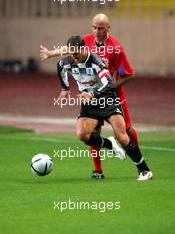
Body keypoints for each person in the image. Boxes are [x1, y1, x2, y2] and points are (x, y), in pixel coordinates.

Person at [40, 13, 140, 179]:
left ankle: (139, 160)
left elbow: (129, 74)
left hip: (111, 94)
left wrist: (110, 87)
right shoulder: (85, 40)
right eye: (94, 27)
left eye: (100, 28)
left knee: (126, 130)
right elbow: (70, 50)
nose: (97, 31)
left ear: (108, 28)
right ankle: (98, 170)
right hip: (89, 95)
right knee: (92, 131)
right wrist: (51, 53)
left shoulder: (116, 48)